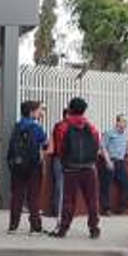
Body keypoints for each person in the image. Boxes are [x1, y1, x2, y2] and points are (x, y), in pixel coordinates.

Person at [48, 98, 104, 239]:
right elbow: (97, 144)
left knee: (68, 200)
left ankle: (63, 229)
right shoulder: (91, 127)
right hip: (89, 168)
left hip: (70, 168)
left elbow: (59, 148)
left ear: (70, 109)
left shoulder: (62, 126)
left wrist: (65, 161)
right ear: (84, 110)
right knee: (92, 199)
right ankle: (94, 228)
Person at [6, 100, 47, 234]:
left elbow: (12, 146)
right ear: (32, 112)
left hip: (18, 165)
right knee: (33, 196)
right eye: (39, 110)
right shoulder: (37, 128)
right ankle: (35, 227)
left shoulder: (17, 126)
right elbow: (45, 144)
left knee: (17, 196)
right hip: (34, 166)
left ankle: (13, 226)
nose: (41, 112)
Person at [98, 114, 128, 215]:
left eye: (126, 122)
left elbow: (126, 148)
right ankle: (106, 209)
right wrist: (108, 161)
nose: (125, 124)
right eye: (123, 121)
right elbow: (103, 147)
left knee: (127, 184)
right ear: (117, 122)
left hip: (120, 163)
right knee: (106, 186)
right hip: (110, 161)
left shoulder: (125, 135)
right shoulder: (109, 133)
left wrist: (127, 151)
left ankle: (122, 207)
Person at [46, 109, 68, 217]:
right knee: (64, 185)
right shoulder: (71, 126)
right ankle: (62, 210)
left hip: (58, 158)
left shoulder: (57, 126)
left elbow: (51, 143)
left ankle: (57, 210)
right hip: (67, 160)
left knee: (59, 184)